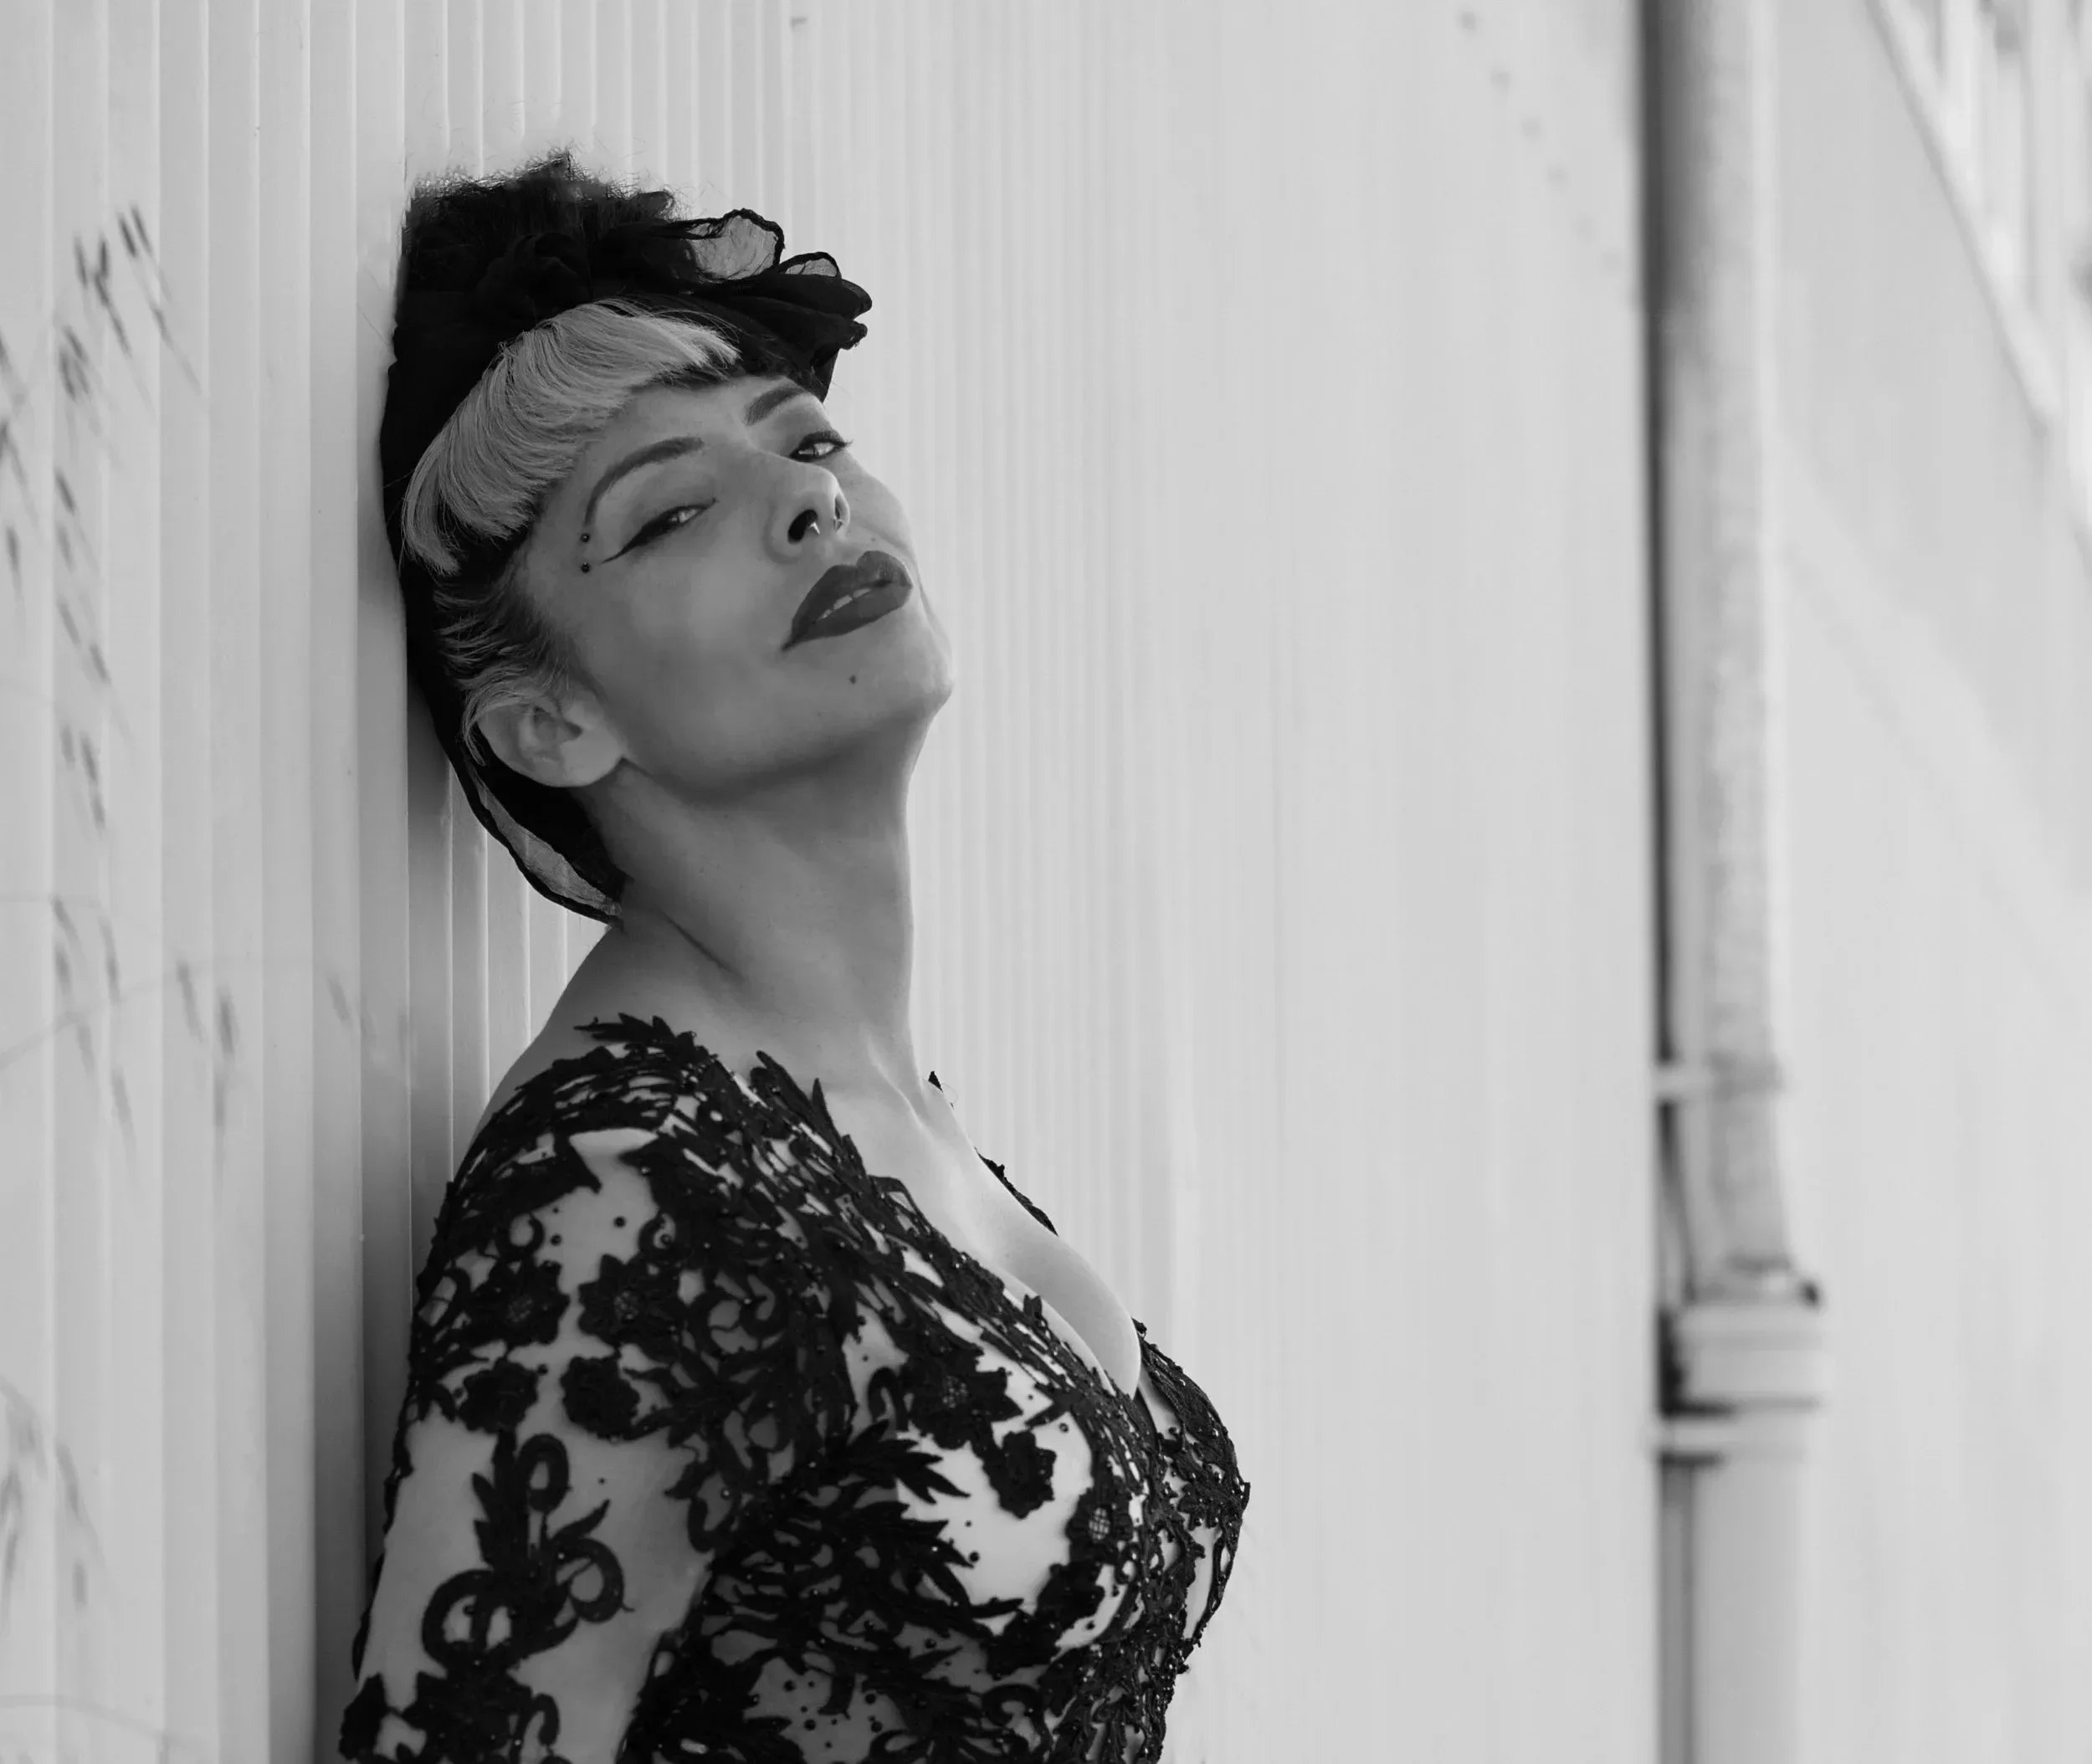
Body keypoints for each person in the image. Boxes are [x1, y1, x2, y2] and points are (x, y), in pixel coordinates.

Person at [340, 146, 1251, 1763]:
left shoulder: (861, 1121)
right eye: (675, 509)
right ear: (552, 722)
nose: (811, 497)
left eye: (811, 440)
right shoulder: (626, 1184)